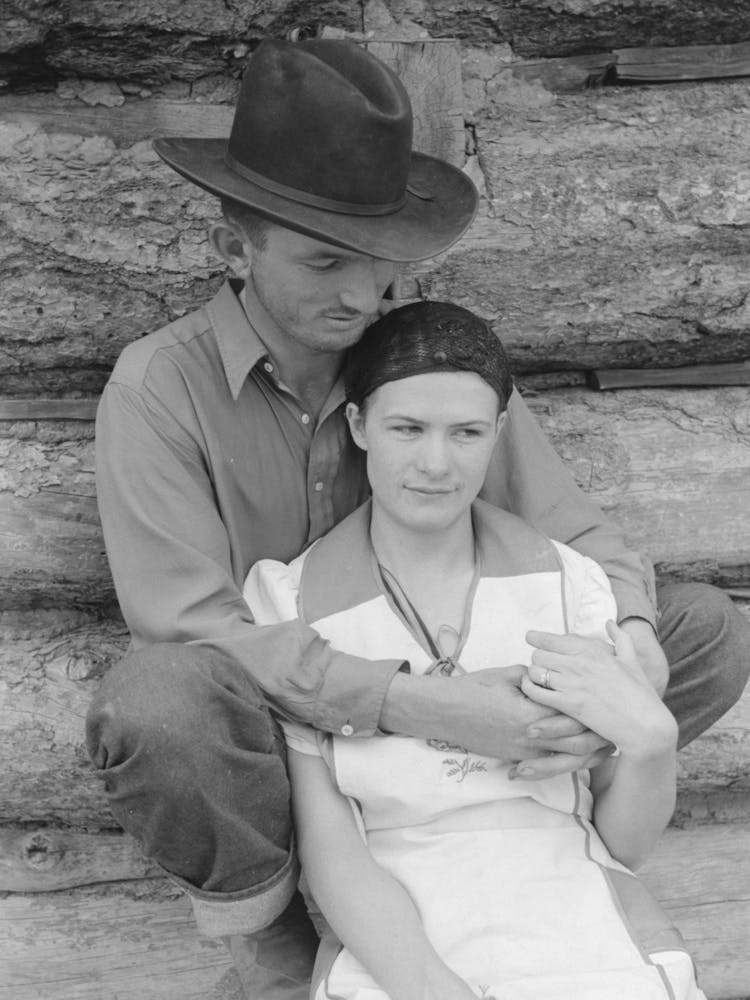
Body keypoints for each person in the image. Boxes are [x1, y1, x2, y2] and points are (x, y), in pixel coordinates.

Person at [85, 36, 747, 999]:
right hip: (276, 722)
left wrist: (634, 648)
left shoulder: (421, 359)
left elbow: (588, 540)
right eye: (323, 263)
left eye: (380, 262)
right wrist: (418, 703)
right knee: (158, 701)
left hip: (469, 662)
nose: (362, 295)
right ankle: (276, 926)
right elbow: (191, 625)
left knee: (705, 631)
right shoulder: (160, 387)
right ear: (235, 249)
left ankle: (549, 819)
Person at [243, 299, 706, 1000]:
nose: (436, 463)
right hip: (395, 933)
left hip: (574, 914)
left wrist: (652, 744)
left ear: (496, 435)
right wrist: (432, 988)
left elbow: (623, 846)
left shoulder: (569, 586)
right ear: (359, 426)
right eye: (407, 428)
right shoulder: (292, 602)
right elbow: (334, 854)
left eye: (465, 432)